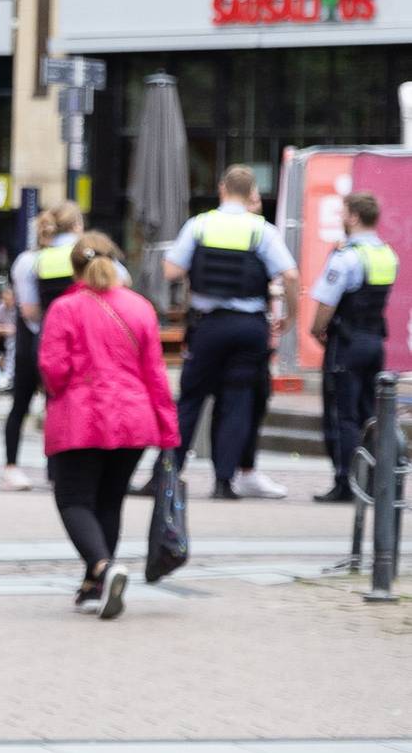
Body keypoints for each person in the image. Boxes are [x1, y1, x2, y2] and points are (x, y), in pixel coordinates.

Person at [36, 233, 179, 621]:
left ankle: (102, 566)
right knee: (109, 501)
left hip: (82, 418)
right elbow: (155, 373)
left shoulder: (65, 309)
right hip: (134, 420)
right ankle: (94, 585)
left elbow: (54, 370)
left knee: (73, 500)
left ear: (74, 268)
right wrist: (168, 429)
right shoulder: (140, 307)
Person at [164, 165, 299, 500]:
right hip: (249, 326)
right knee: (237, 401)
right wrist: (291, 317)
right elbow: (292, 275)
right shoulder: (261, 231)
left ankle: (167, 475)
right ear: (252, 191)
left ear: (222, 187)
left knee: (192, 399)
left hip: (208, 324)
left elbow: (171, 270)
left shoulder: (200, 225)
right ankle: (225, 481)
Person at [310, 193, 393, 502]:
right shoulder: (386, 254)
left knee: (342, 415)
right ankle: (372, 480)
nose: (342, 219)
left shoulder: (347, 256)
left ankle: (346, 482)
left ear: (355, 217)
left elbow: (326, 302)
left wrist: (317, 329)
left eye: (344, 213)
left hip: (346, 344)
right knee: (370, 413)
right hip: (374, 342)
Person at [3, 203, 85, 491]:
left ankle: (12, 467)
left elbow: (28, 310)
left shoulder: (29, 261)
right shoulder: (83, 256)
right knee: (57, 406)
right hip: (69, 344)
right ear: (76, 226)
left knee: (20, 405)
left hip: (32, 340)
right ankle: (55, 470)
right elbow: (121, 277)